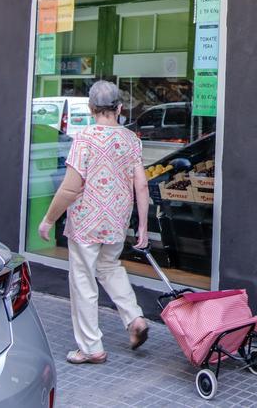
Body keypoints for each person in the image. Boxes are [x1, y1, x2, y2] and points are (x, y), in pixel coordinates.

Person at [38, 81, 151, 364]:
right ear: (119, 108)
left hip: (86, 223)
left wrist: (48, 220)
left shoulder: (85, 138)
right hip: (116, 221)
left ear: (91, 109)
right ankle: (134, 318)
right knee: (110, 267)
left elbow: (70, 188)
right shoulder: (131, 140)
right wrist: (144, 227)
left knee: (83, 280)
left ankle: (91, 348)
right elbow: (142, 186)